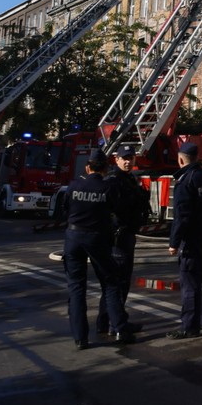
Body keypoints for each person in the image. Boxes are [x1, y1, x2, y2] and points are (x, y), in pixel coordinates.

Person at [64, 148, 134, 350]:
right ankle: (121, 328)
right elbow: (117, 210)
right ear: (105, 168)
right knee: (110, 283)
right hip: (97, 238)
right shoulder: (107, 188)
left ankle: (80, 338)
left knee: (76, 288)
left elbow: (65, 210)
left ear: (87, 167)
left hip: (73, 237)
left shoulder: (73, 185)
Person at [166, 141, 202, 339]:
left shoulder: (186, 181)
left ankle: (189, 327)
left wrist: (174, 243)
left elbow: (182, 216)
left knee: (190, 283)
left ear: (181, 159)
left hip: (193, 241)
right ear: (197, 158)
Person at [95, 146, 149, 336]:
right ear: (116, 159)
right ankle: (114, 324)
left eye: (131, 158)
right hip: (118, 237)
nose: (128, 161)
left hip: (126, 235)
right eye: (124, 158)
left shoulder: (129, 179)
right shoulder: (113, 181)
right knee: (118, 283)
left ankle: (105, 322)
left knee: (114, 284)